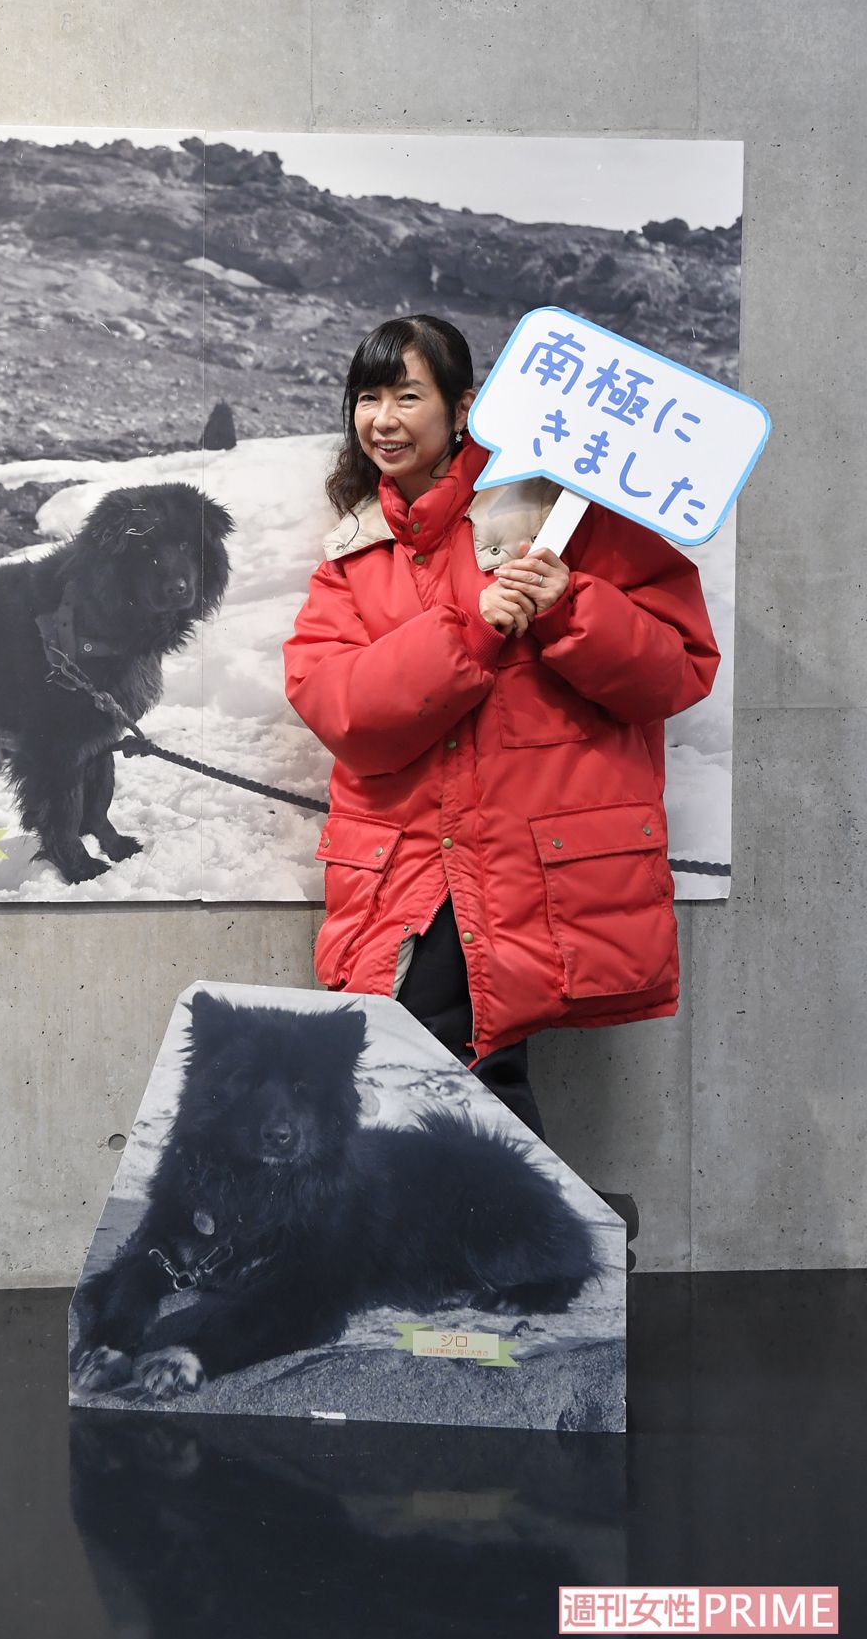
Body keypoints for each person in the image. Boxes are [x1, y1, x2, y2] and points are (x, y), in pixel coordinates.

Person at [283, 314, 720, 1142]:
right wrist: (470, 627)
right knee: (444, 1082)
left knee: (447, 1080)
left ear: (463, 406)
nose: (383, 419)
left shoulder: (561, 514)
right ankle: (555, 1254)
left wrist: (571, 606)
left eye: (408, 395)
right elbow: (344, 711)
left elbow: (676, 669)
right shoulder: (353, 557)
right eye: (367, 398)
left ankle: (544, 1255)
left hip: (526, 872)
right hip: (411, 877)